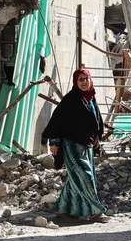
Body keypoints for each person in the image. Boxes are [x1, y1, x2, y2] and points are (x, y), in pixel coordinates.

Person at [41, 68, 109, 222]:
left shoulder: (91, 98)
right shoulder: (70, 99)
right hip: (71, 145)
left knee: (75, 179)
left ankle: (65, 208)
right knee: (85, 177)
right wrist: (54, 142)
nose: (84, 82)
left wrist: (97, 137)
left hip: (87, 145)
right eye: (81, 80)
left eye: (86, 79)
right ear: (75, 82)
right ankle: (96, 211)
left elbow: (96, 120)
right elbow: (57, 121)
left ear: (91, 80)